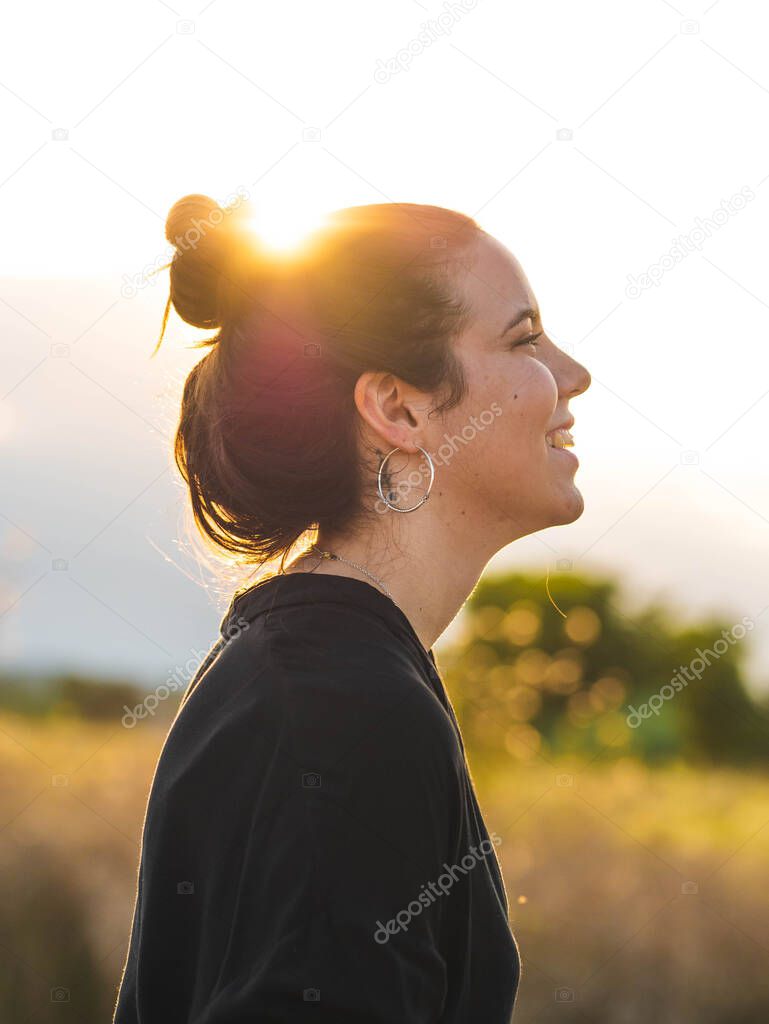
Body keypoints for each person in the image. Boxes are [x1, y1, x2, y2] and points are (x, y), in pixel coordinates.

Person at [112, 193, 591, 1023]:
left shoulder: (313, 669)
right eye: (523, 338)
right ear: (398, 409)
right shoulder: (346, 708)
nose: (572, 374)